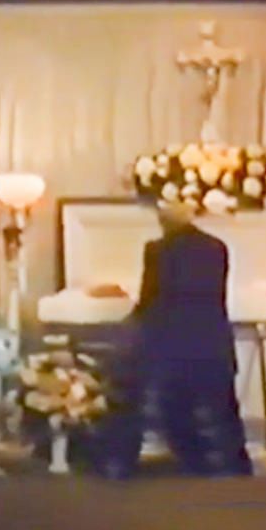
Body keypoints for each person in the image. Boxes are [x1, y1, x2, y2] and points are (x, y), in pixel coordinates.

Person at [90, 201, 252, 479]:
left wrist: (127, 319)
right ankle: (234, 466)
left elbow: (152, 299)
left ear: (165, 222)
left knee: (130, 388)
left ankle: (118, 462)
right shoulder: (217, 247)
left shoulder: (158, 250)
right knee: (223, 408)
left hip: (170, 344)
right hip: (212, 341)